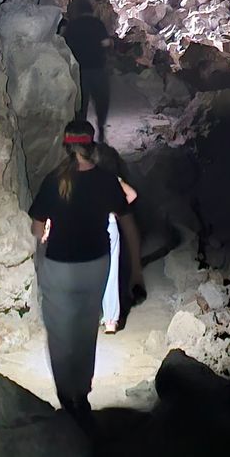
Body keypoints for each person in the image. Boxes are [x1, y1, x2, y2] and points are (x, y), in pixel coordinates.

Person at [29, 119, 142, 417]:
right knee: (85, 327)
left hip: (59, 265)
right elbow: (129, 225)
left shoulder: (54, 180)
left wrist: (43, 241)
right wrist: (137, 271)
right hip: (95, 264)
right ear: (91, 146)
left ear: (65, 146)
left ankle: (67, 393)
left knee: (60, 331)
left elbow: (37, 225)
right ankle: (81, 391)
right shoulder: (106, 180)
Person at [95, 141, 146, 333]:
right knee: (111, 273)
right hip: (110, 225)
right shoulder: (112, 179)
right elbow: (132, 195)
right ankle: (110, 321)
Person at [60, 0, 112, 140]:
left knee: (81, 103)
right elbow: (106, 43)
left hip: (80, 70)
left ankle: (81, 134)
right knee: (101, 100)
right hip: (97, 67)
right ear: (91, 10)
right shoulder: (97, 24)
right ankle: (101, 127)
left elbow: (64, 45)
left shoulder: (73, 25)